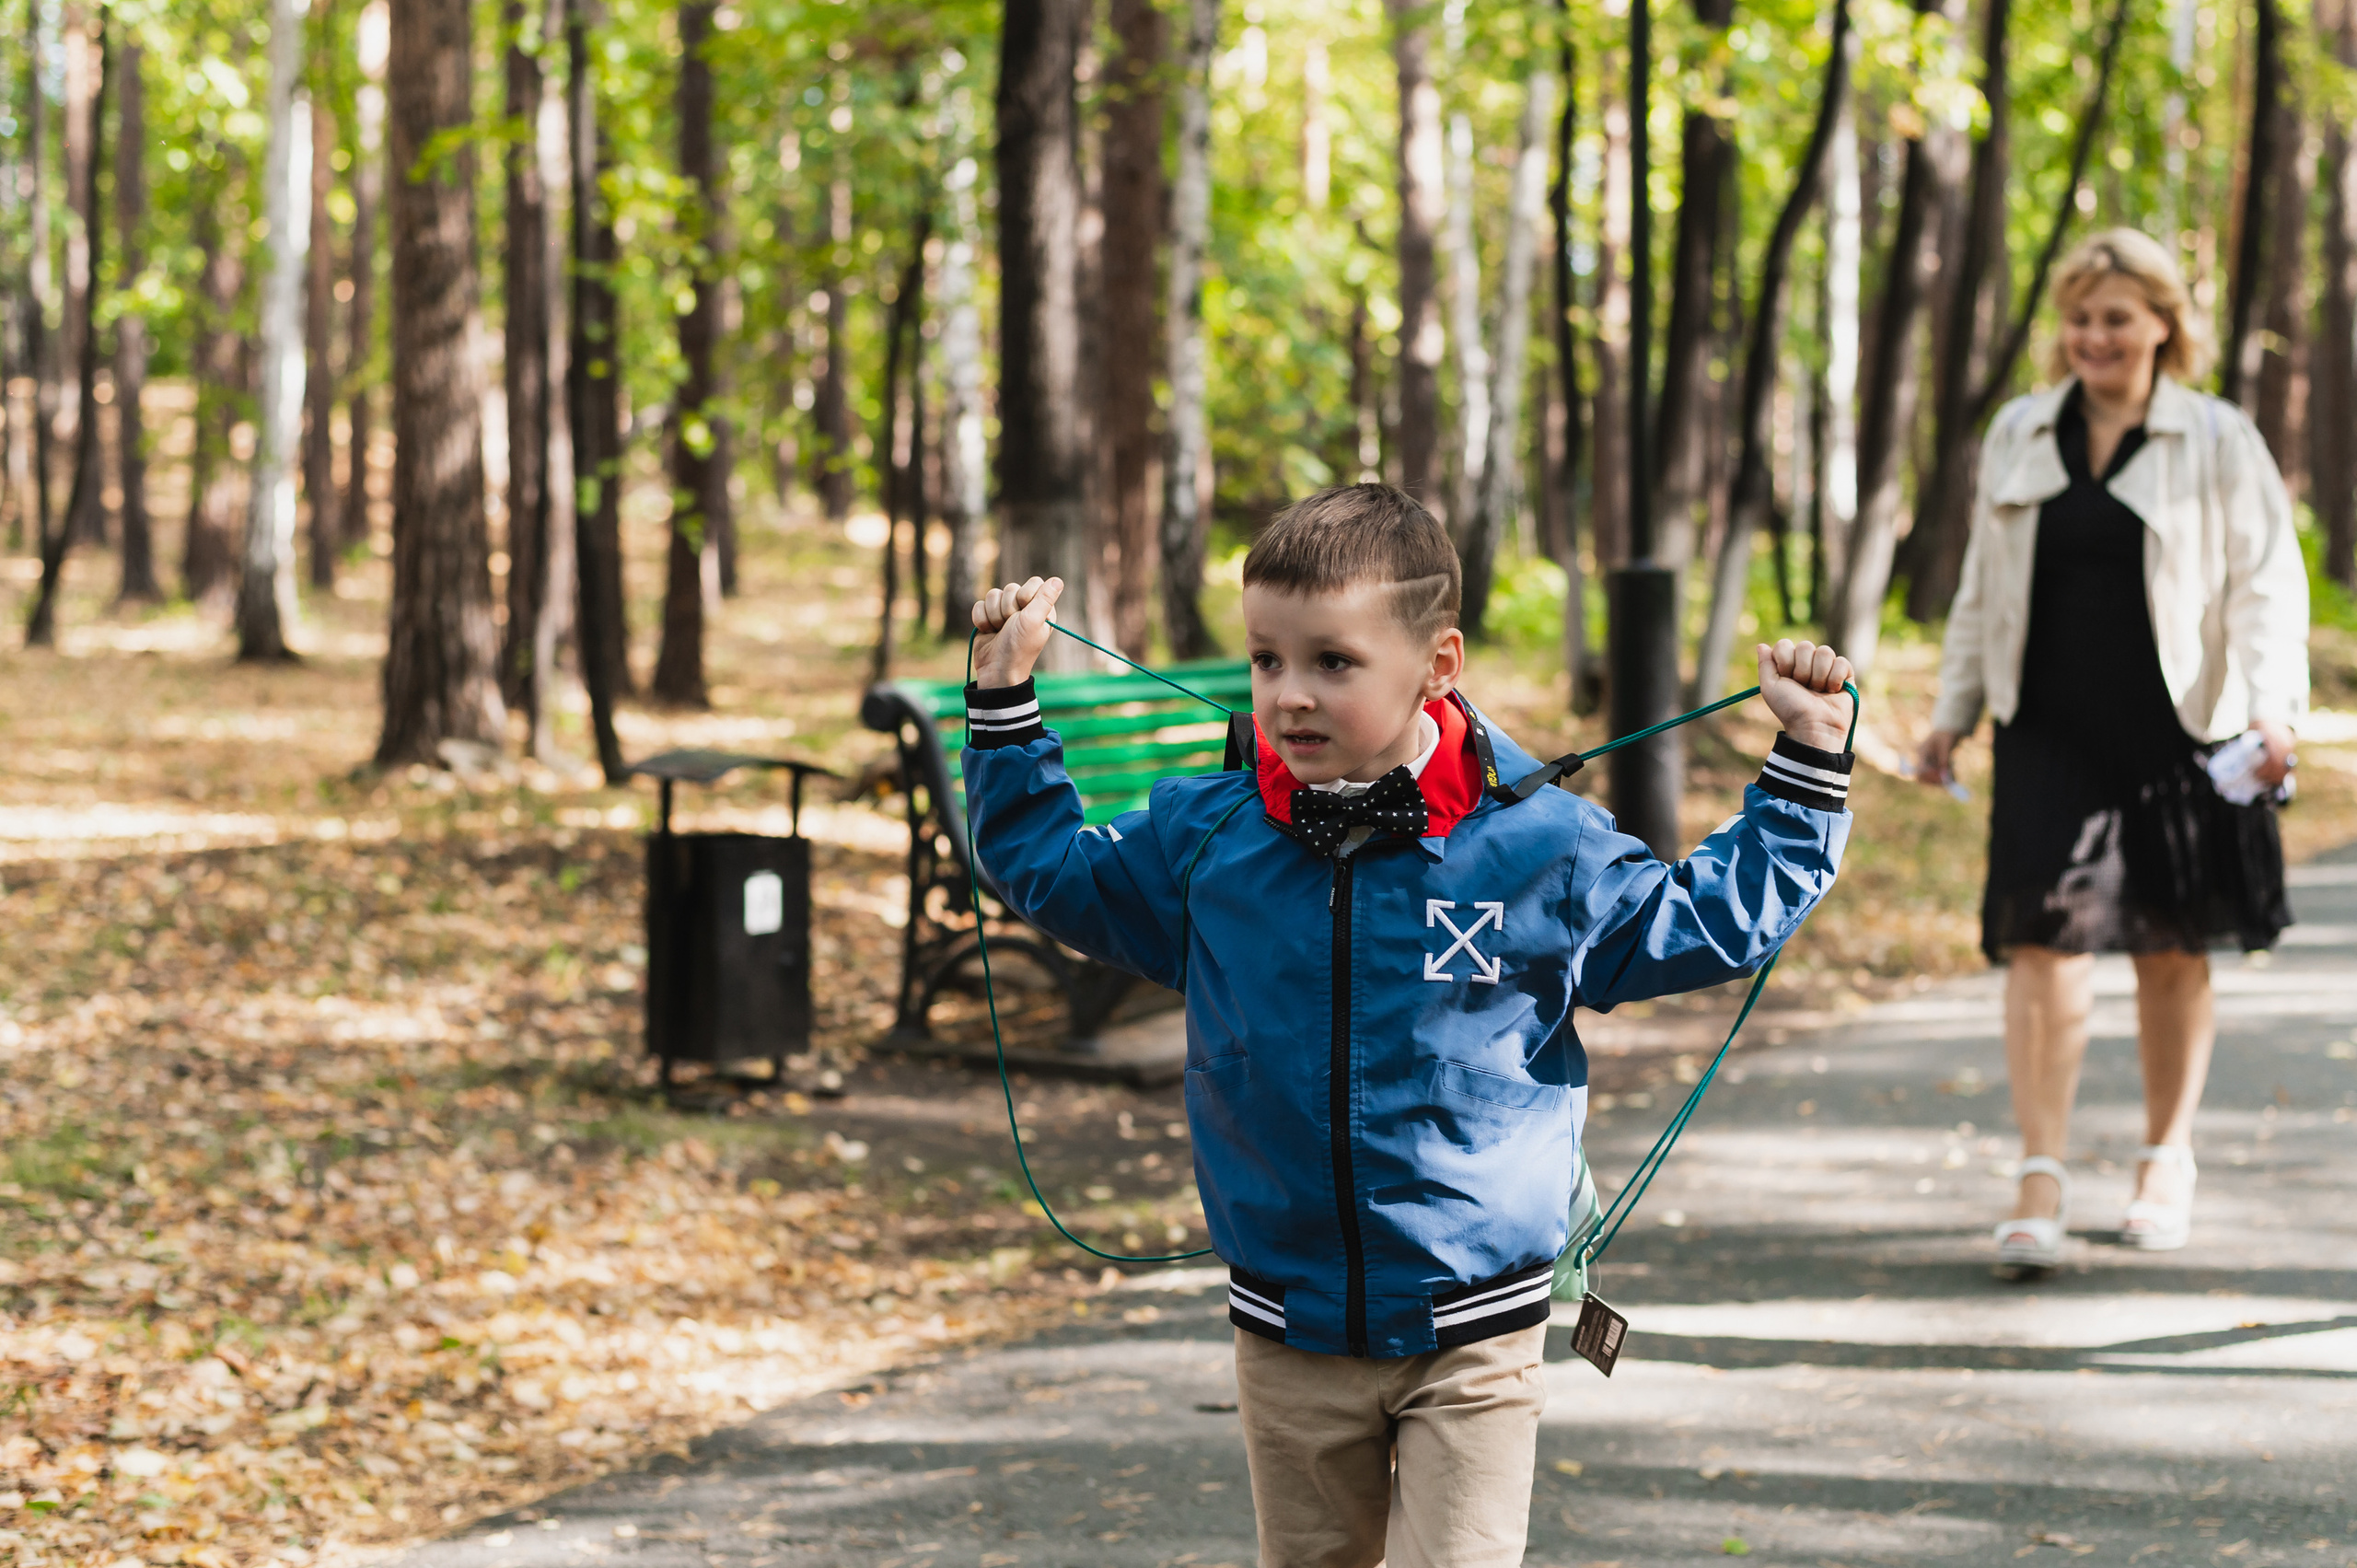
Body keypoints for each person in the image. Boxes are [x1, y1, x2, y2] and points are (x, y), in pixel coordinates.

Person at [963, 483, 1859, 1568]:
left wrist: (1804, 770)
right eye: (1267, 660)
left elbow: (1697, 920)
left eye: (1332, 662)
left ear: (1438, 665)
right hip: (1287, 1320)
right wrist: (1005, 709)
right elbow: (1058, 872)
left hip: (1475, 1325)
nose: (1289, 694)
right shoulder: (1209, 840)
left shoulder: (1538, 845)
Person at [1917, 227, 2309, 1270]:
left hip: (2178, 727)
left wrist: (2275, 709)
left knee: (2169, 947)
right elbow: (1978, 587)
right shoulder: (2018, 432)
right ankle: (2038, 1175)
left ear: (2162, 325)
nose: (2095, 336)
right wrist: (1950, 710)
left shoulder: (2216, 437)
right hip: (2044, 723)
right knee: (2042, 942)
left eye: (2116, 317)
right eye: (2081, 317)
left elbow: (2266, 582)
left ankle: (2163, 1159)